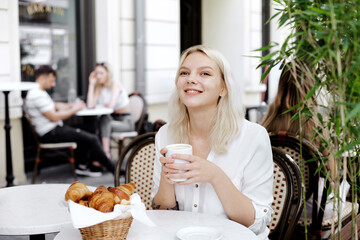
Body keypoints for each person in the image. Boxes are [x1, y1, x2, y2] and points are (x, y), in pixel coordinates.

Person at [151, 45, 274, 239]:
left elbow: (255, 223)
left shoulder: (253, 137)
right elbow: (160, 211)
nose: (191, 79)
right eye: (184, 73)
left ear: (223, 88)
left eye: (205, 73)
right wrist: (167, 178)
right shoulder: (166, 134)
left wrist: (215, 176)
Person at [261, 63, 349, 238]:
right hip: (311, 213)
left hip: (276, 208)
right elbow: (331, 175)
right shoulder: (316, 124)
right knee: (345, 187)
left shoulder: (267, 122)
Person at [25, 65, 115, 177]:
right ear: (44, 77)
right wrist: (74, 109)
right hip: (50, 133)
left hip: (54, 130)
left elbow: (55, 105)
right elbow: (54, 117)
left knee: (90, 129)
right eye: (52, 80)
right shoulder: (36, 95)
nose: (53, 84)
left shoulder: (38, 93)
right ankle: (114, 169)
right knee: (91, 138)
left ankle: (82, 165)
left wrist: (72, 105)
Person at [86, 62, 135, 157]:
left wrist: (104, 105)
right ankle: (99, 156)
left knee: (103, 121)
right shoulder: (99, 86)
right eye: (97, 73)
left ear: (108, 73)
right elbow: (90, 105)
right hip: (112, 120)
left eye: (101, 73)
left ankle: (105, 153)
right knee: (100, 121)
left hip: (125, 122)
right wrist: (91, 84)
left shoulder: (115, 84)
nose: (98, 76)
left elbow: (111, 105)